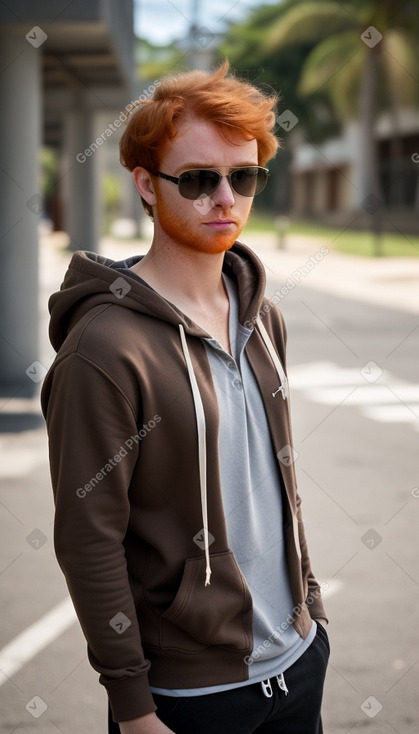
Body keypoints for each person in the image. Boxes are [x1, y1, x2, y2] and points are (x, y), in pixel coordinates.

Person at [41, 61, 329, 734]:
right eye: (199, 179)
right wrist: (133, 708)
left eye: (245, 176)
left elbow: (277, 482)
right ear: (146, 184)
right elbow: (89, 539)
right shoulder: (105, 350)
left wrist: (309, 605)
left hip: (298, 661)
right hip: (190, 698)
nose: (224, 198)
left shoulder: (262, 315)